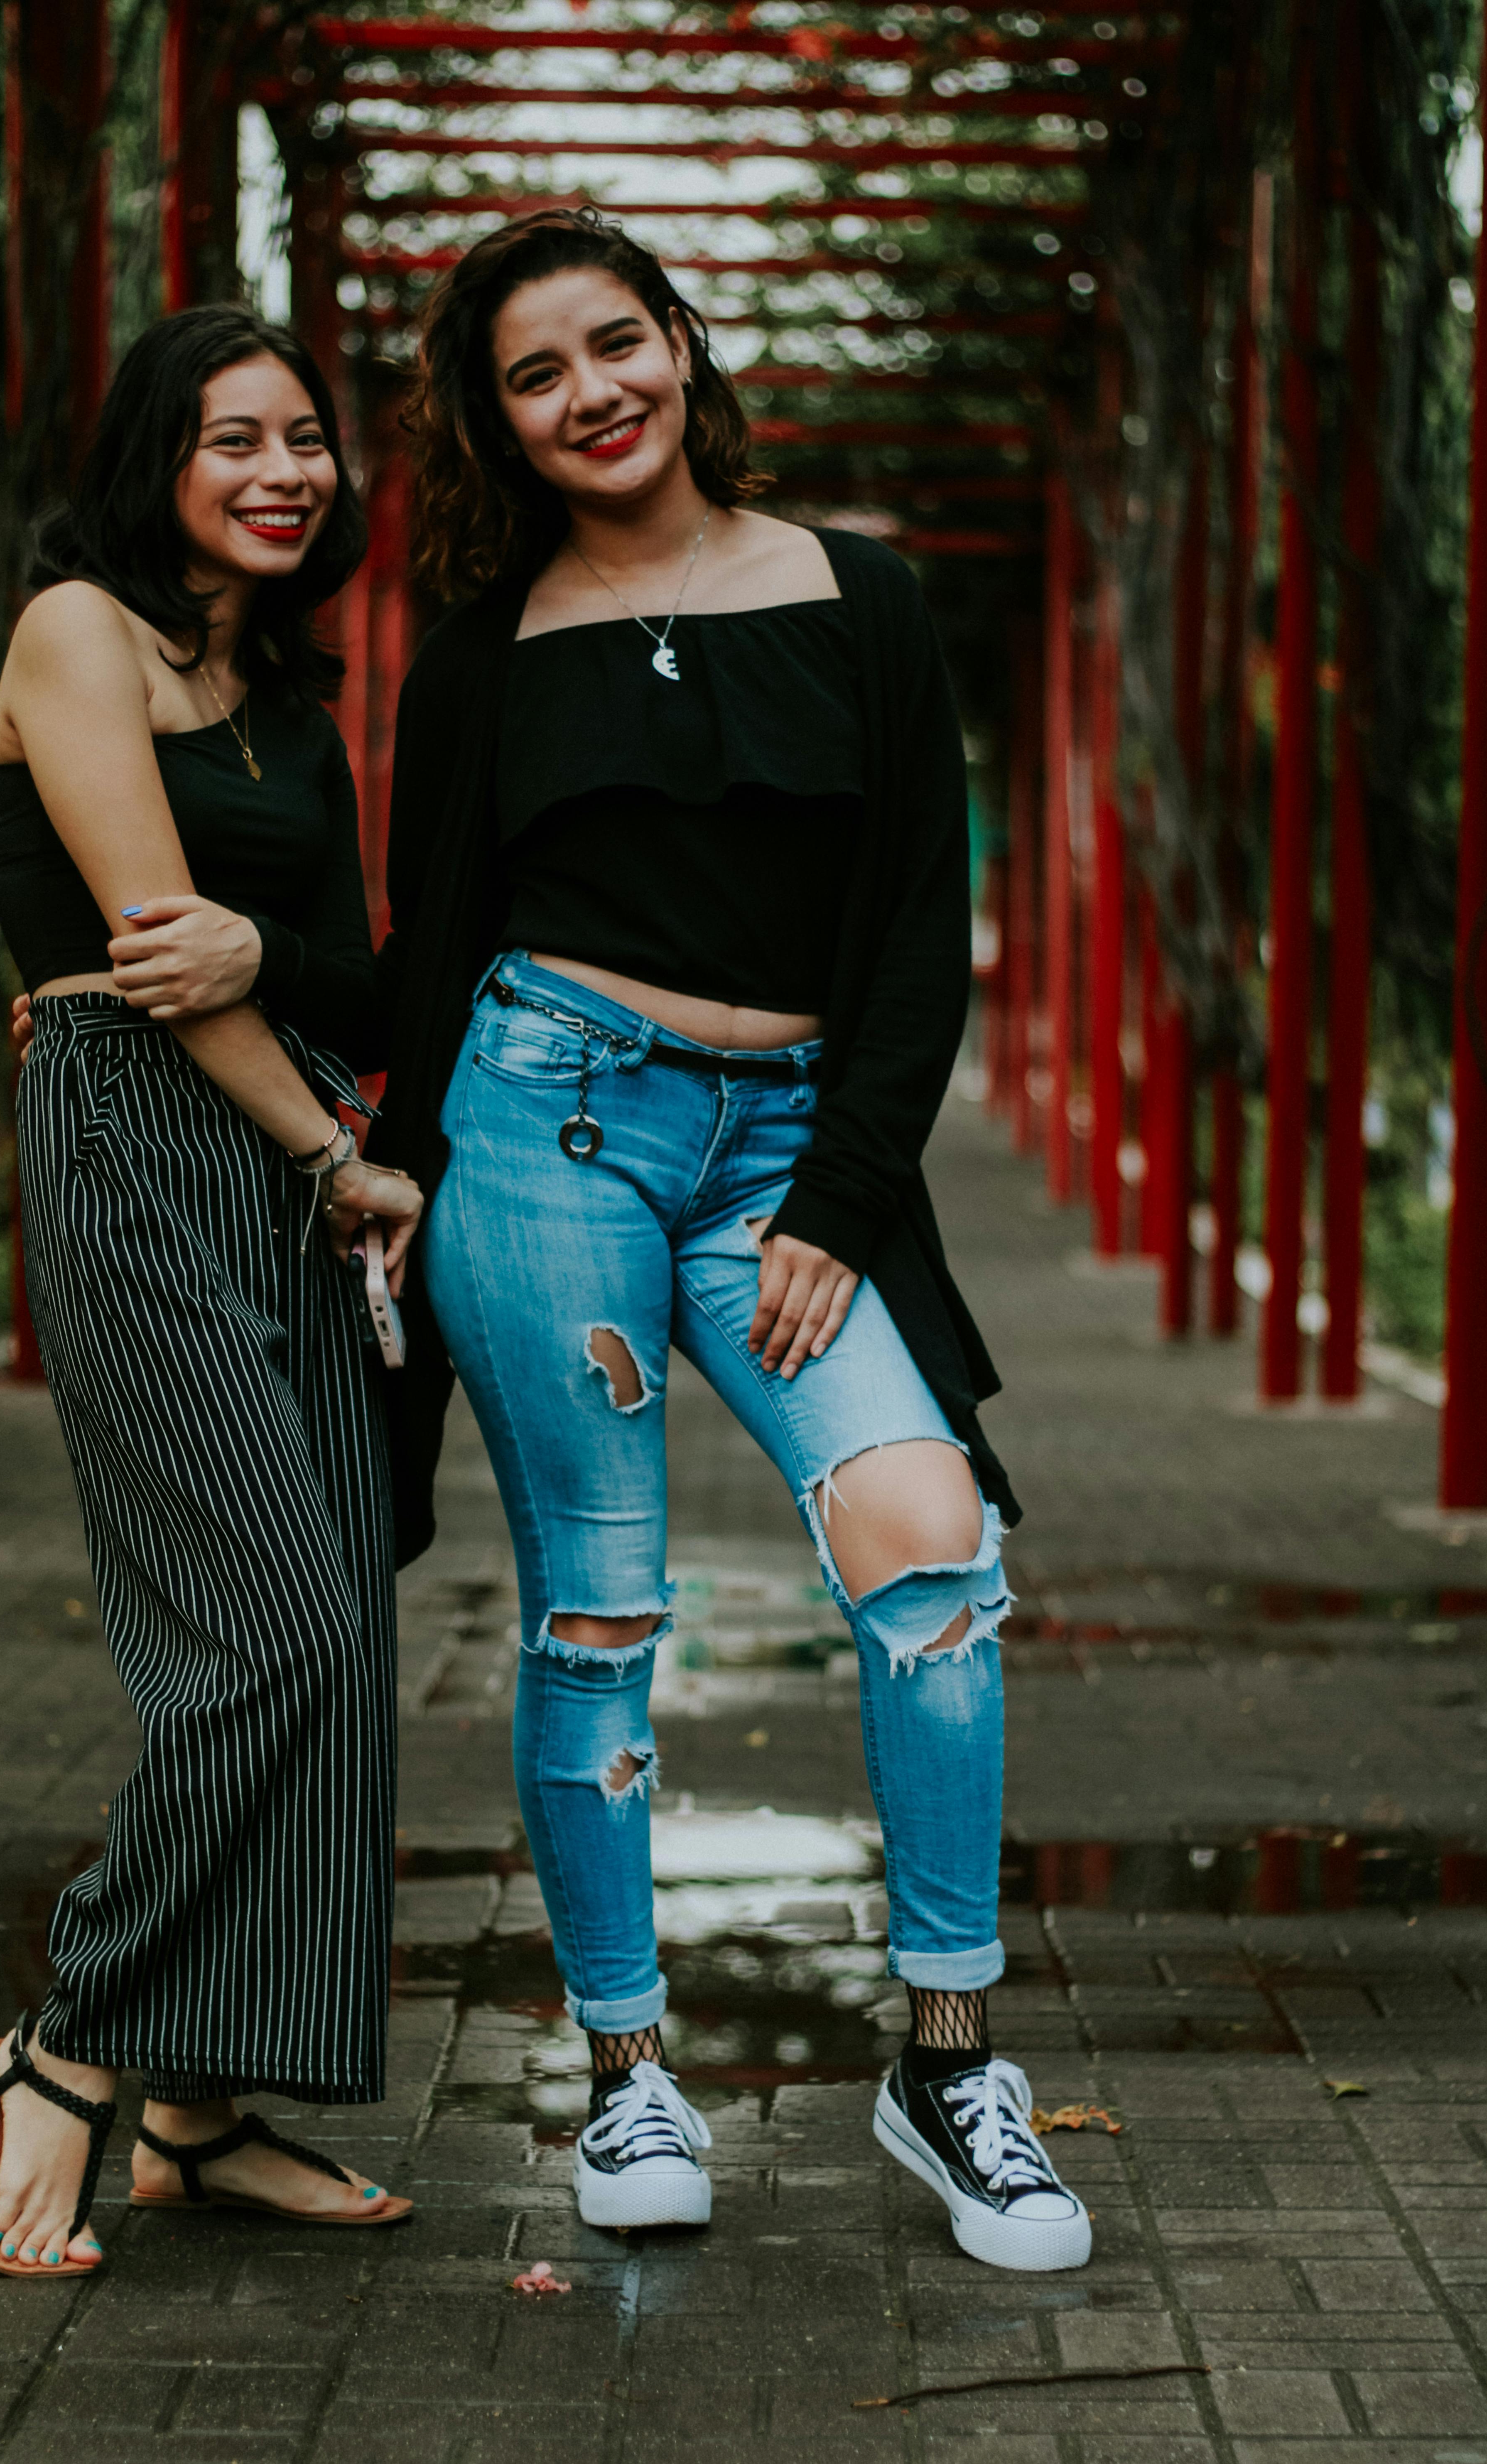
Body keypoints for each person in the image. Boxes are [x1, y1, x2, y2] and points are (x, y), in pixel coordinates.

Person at [369, 207, 1092, 2273]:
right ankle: (624, 2075)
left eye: (617, 344)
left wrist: (847, 1197)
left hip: (790, 1156)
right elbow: (431, 953)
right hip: (543, 1134)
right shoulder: (481, 662)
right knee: (595, 1609)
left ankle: (948, 2062)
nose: (590, 392)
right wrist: (379, 1160)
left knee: (925, 1538)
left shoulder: (858, 599)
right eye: (534, 373)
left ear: (681, 346)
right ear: (494, 422)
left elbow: (916, 933)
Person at [0, 305, 421, 2279]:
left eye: (309, 438)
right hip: (146, 1138)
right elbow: (167, 960)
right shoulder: (81, 631)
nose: (282, 469)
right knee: (266, 1625)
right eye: (233, 435)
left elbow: (341, 977)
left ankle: (203, 2103)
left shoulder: (291, 711)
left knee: (344, 1637)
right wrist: (332, 1148)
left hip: (289, 1167)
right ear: (158, 454)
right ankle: (69, 2044)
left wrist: (303, 1052)